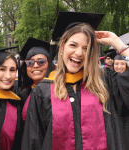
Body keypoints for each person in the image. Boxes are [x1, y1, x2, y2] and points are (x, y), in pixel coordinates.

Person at [21, 11, 129, 150]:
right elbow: (32, 142)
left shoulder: (106, 82)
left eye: (86, 48)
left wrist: (118, 44)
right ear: (62, 47)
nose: (79, 53)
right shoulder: (43, 91)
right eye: (73, 45)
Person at [19, 37, 56, 123]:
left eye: (41, 61)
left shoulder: (60, 91)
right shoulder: (22, 95)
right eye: (30, 62)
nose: (35, 66)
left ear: (49, 64)